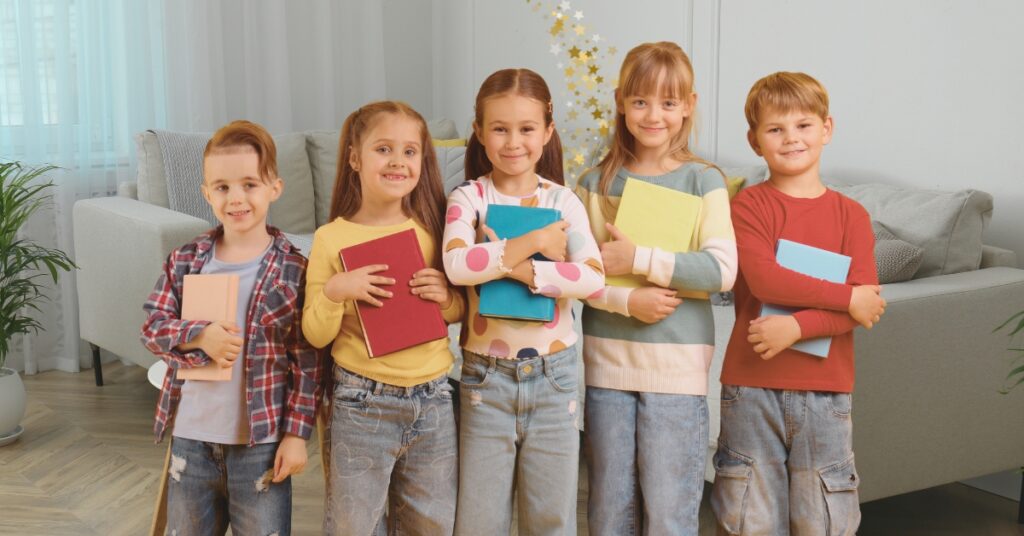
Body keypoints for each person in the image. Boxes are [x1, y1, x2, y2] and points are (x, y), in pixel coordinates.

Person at [711, 71, 886, 535]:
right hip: (751, 390)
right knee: (749, 517)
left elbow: (866, 308)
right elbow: (767, 280)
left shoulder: (852, 215)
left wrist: (797, 328)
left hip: (827, 395)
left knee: (825, 521)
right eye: (775, 129)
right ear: (755, 141)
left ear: (826, 129)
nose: (791, 138)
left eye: (803, 125)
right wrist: (847, 297)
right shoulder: (749, 206)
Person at [574, 41, 738, 535]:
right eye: (641, 101)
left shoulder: (703, 180)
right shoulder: (593, 182)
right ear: (622, 101)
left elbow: (722, 270)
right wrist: (628, 300)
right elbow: (577, 278)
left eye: (669, 103)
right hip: (606, 366)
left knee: (669, 511)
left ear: (688, 105)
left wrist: (639, 260)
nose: (654, 115)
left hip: (677, 368)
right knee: (608, 510)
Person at [443, 68, 604, 535]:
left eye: (527, 129)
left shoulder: (565, 201)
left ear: (548, 131)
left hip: (555, 382)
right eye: (500, 128)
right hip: (484, 381)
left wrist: (510, 264)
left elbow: (592, 279)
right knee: (478, 521)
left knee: (551, 520)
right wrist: (535, 240)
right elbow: (456, 265)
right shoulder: (468, 197)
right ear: (479, 131)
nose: (513, 142)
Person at [141, 119, 322, 536]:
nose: (236, 198)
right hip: (191, 439)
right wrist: (199, 335)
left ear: (274, 188)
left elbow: (308, 363)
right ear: (206, 193)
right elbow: (153, 326)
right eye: (222, 187)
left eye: (249, 185)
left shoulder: (293, 270)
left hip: (260, 445)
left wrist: (297, 436)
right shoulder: (185, 261)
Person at [302, 101, 464, 535]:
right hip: (361, 403)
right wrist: (337, 292)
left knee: (432, 522)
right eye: (383, 149)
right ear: (355, 158)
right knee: (355, 523)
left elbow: (457, 312)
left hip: (433, 400)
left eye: (410, 152)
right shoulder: (331, 238)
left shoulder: (432, 227)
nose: (398, 161)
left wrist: (446, 298)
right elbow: (315, 334)